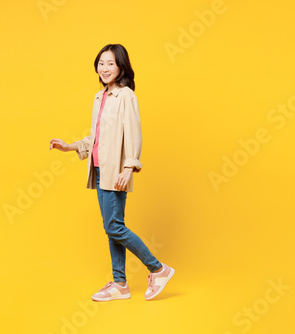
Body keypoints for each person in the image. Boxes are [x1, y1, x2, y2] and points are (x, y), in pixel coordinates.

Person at [49, 44, 174, 302]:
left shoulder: (126, 95)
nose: (104, 68)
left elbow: (133, 133)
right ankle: (120, 284)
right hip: (100, 170)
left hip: (116, 170)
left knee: (114, 226)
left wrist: (129, 167)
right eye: (101, 63)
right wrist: (70, 146)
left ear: (121, 67)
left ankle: (158, 269)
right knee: (112, 228)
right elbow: (96, 137)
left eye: (111, 64)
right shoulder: (100, 97)